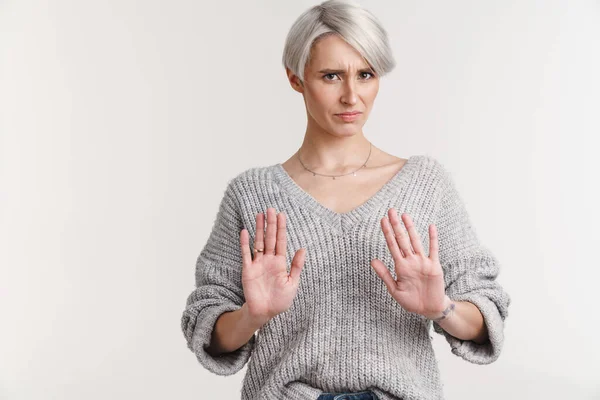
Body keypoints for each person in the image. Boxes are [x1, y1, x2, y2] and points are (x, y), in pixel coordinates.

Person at [180, 0, 511, 399]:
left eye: (366, 74)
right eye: (331, 75)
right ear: (296, 78)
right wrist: (252, 315)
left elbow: (485, 311)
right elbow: (208, 328)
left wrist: (442, 308)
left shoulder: (425, 185)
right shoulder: (252, 195)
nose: (352, 95)